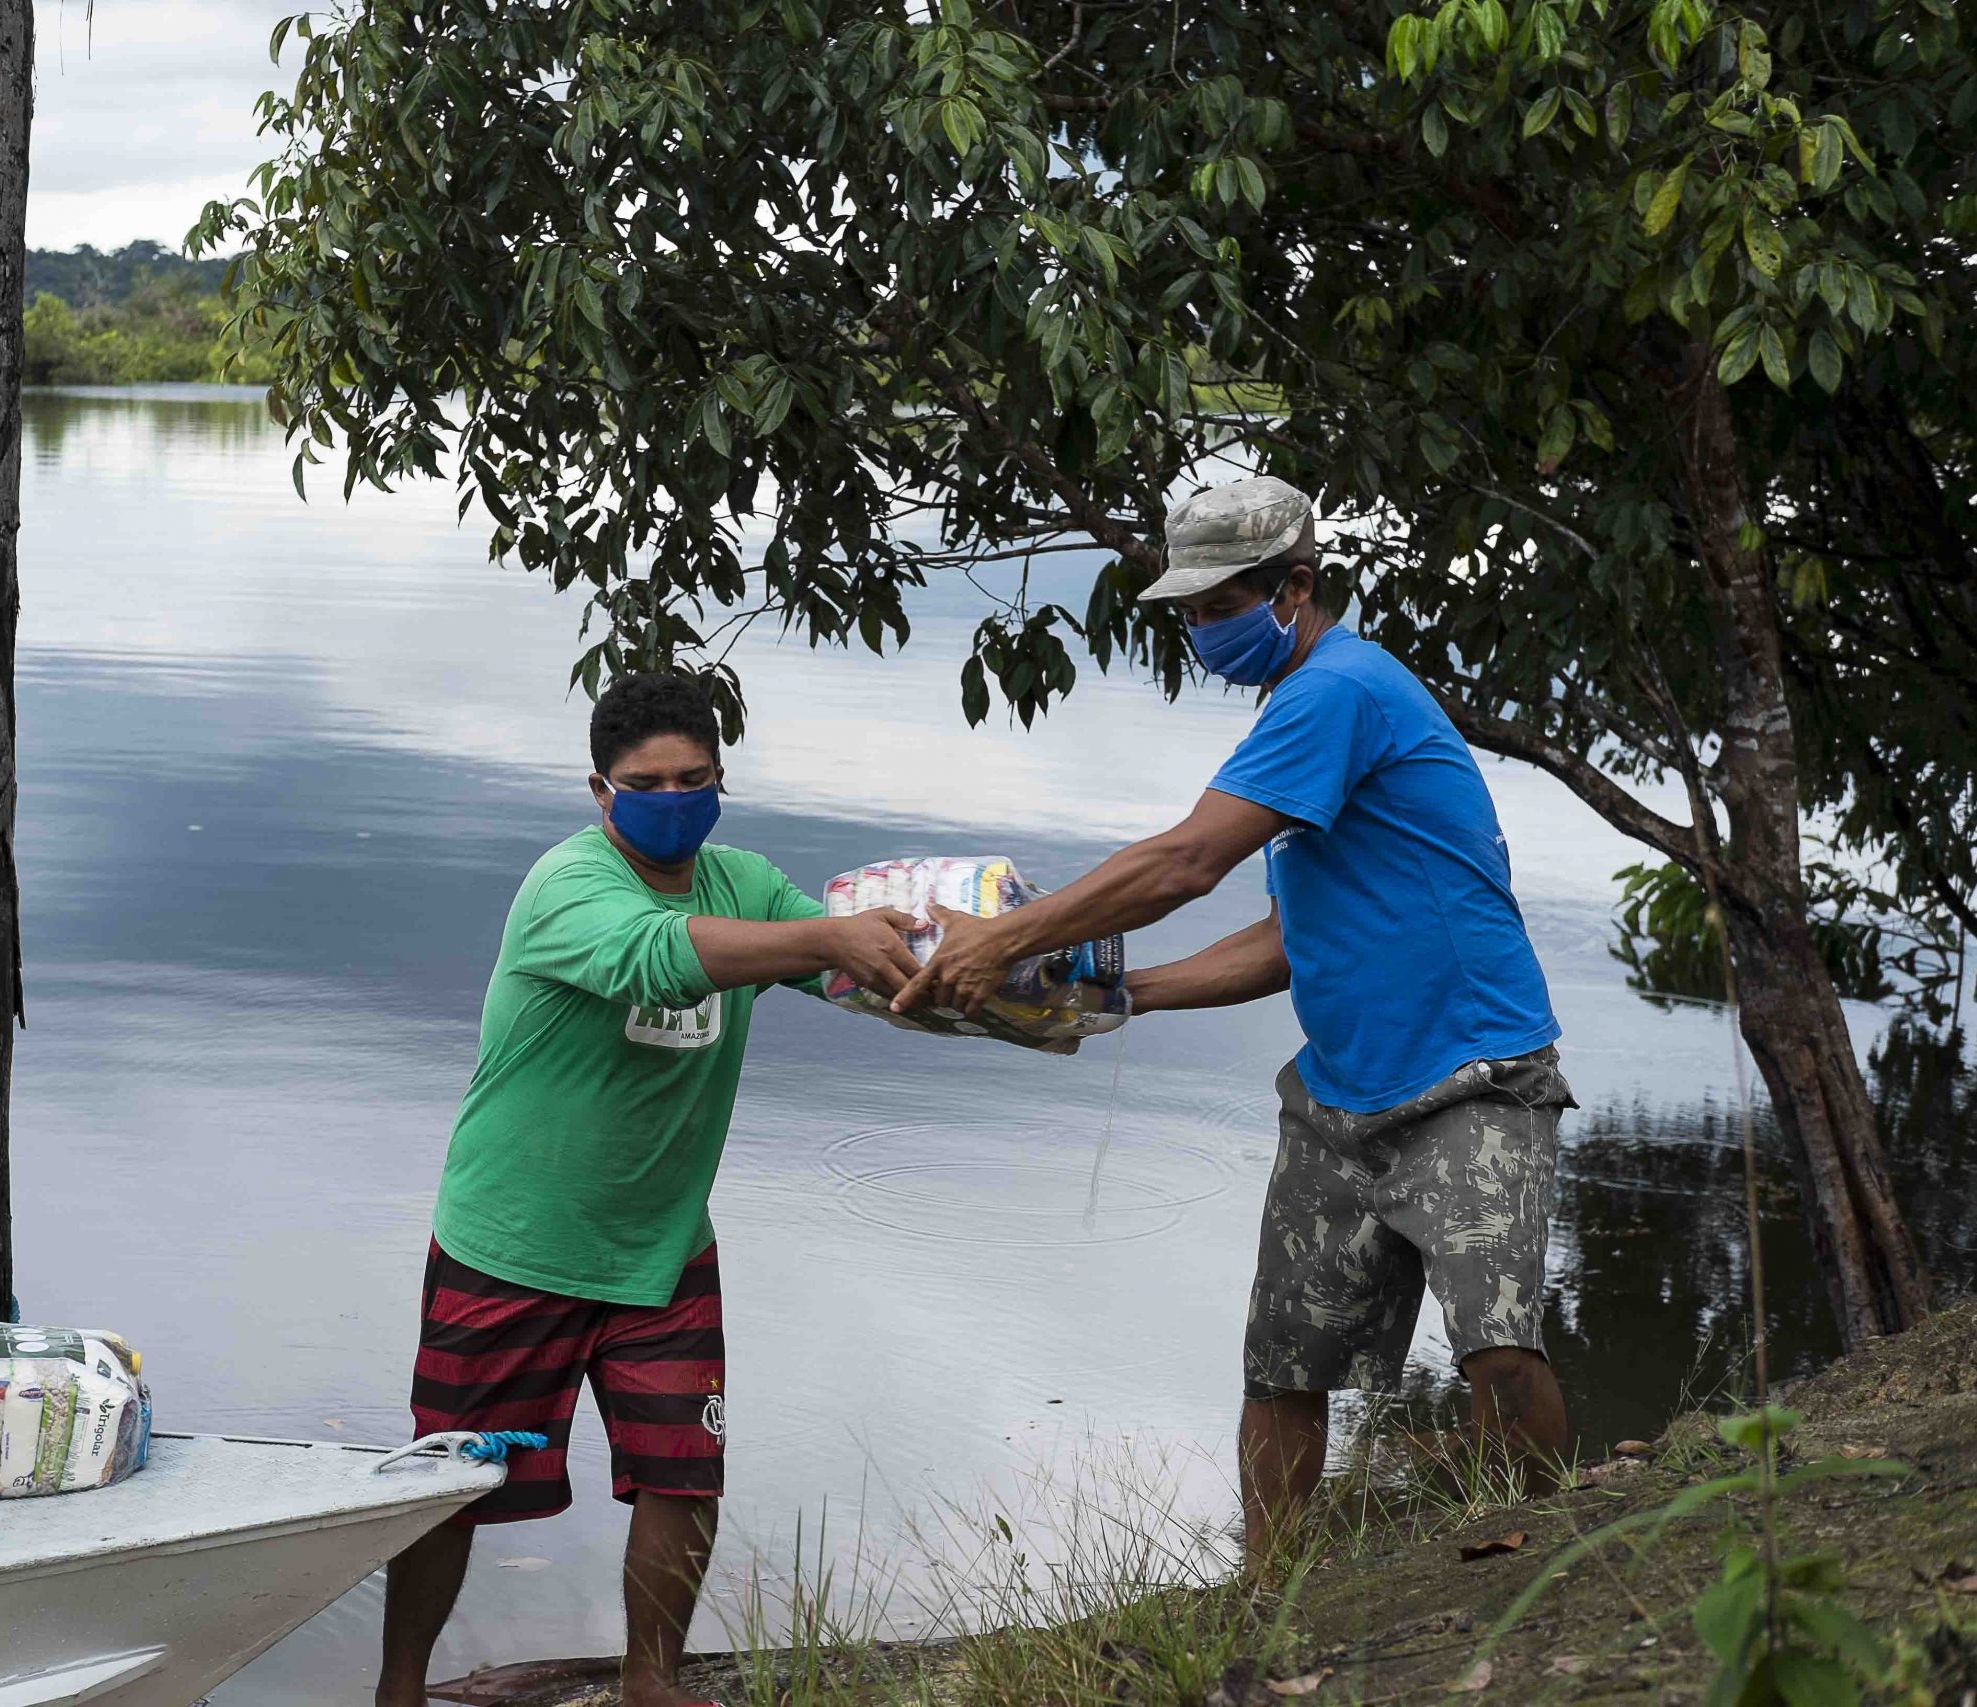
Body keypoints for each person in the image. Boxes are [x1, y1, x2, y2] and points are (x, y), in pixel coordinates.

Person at [893, 476, 1575, 1561]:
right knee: (1283, 1366)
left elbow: (1185, 859)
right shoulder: (1304, 707)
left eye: (1221, 607)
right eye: (1191, 614)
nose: (1202, 630)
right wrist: (1117, 993)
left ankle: (1547, 1548)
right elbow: (1286, 938)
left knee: (1496, 1345)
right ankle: (1268, 1591)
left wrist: (1005, 939)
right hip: (1343, 1087)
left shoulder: (1335, 691)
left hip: (1472, 1071)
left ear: (1295, 588)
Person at [378, 671, 921, 1707]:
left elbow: (849, 970)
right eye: (647, 781)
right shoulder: (567, 887)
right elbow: (659, 959)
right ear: (600, 789)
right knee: (452, 1488)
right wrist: (822, 939)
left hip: (662, 1247)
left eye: (694, 777)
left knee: (685, 1474)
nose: (672, 797)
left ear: (721, 779)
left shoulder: (746, 885)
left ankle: (650, 1684)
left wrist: (971, 962)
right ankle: (397, 1689)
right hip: (513, 1242)